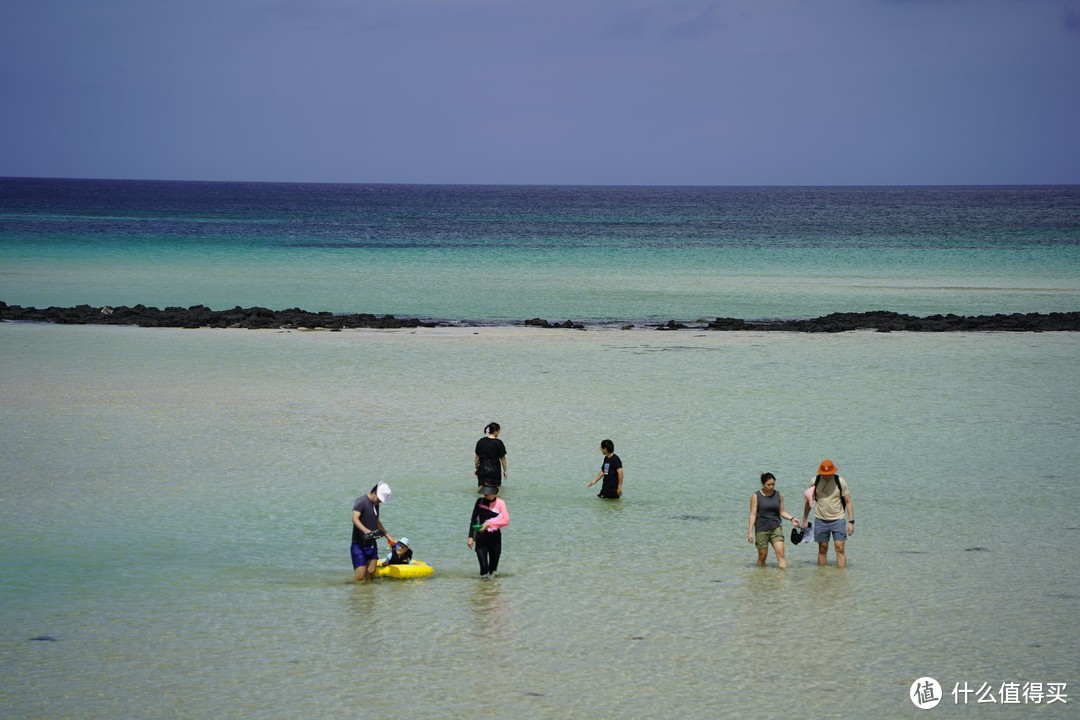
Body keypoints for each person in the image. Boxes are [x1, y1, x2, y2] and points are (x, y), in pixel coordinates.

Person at [801, 459, 854, 567]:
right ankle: (821, 576)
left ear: (833, 472)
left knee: (840, 548)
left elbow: (848, 502)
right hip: (820, 520)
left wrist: (851, 522)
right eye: (824, 474)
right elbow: (809, 501)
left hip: (838, 519)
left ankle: (841, 576)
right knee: (822, 549)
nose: (826, 476)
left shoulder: (840, 482)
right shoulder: (814, 481)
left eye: (828, 474)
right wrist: (805, 519)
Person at [747, 472, 800, 568]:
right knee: (762, 556)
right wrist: (750, 532)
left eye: (773, 484)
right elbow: (753, 514)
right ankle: (760, 577)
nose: (771, 487)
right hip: (761, 529)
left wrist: (791, 518)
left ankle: (782, 579)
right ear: (763, 484)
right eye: (769, 485)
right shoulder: (756, 496)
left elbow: (782, 511)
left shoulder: (778, 495)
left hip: (776, 528)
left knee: (781, 554)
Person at [350, 482, 395, 582]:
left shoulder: (375, 504)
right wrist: (366, 531)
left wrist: (387, 536)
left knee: (371, 573)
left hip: (371, 543)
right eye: (380, 499)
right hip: (359, 544)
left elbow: (376, 521)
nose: (380, 502)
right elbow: (354, 518)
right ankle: (346, 586)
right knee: (360, 576)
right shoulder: (361, 502)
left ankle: (369, 595)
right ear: (375, 493)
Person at [467, 484, 510, 578]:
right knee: (483, 570)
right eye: (484, 494)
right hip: (481, 538)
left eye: (487, 493)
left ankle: (492, 590)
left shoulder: (501, 503)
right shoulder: (480, 501)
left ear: (494, 492)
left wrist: (489, 524)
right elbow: (473, 519)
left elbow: (506, 521)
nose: (485, 496)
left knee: (492, 570)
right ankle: (482, 590)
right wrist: (471, 537)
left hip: (495, 539)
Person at [474, 422, 507, 487]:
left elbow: (477, 457)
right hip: (495, 471)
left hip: (483, 470)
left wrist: (476, 468)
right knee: (495, 491)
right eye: (499, 431)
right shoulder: (499, 443)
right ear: (496, 431)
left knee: (482, 490)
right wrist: (505, 471)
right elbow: (503, 458)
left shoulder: (481, 441)